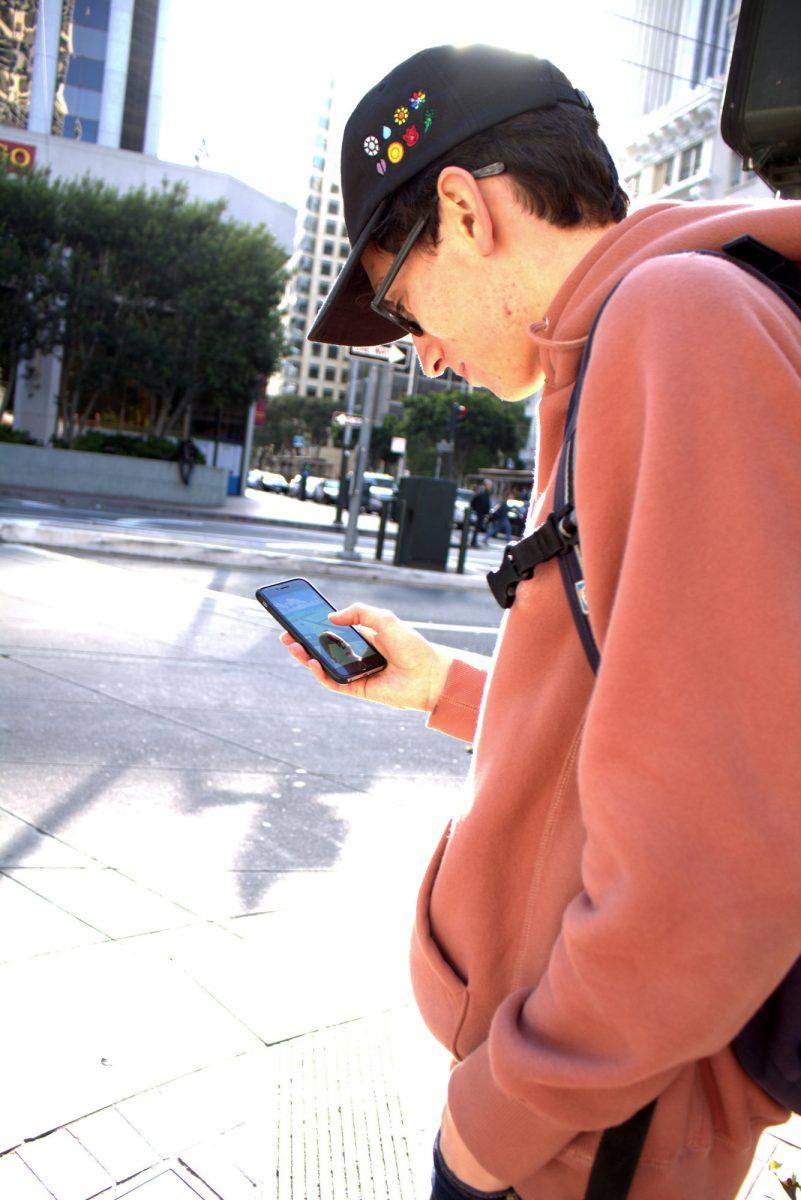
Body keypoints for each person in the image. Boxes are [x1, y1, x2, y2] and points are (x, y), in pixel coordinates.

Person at [281, 43, 801, 1200]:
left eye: (403, 297)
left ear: (463, 210)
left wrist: (504, 1115)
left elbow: (718, 856)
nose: (419, 350)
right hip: (590, 1110)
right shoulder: (630, 339)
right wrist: (449, 691)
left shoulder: (678, 323)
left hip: (593, 1130)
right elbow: (646, 714)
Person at [469, 479, 492, 547]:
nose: (490, 487)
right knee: (477, 527)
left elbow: (474, 500)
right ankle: (473, 542)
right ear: (487, 485)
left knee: (478, 527)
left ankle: (474, 541)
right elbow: (484, 503)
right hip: (481, 512)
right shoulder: (484, 492)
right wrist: (486, 511)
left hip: (480, 511)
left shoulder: (482, 491)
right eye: (490, 485)